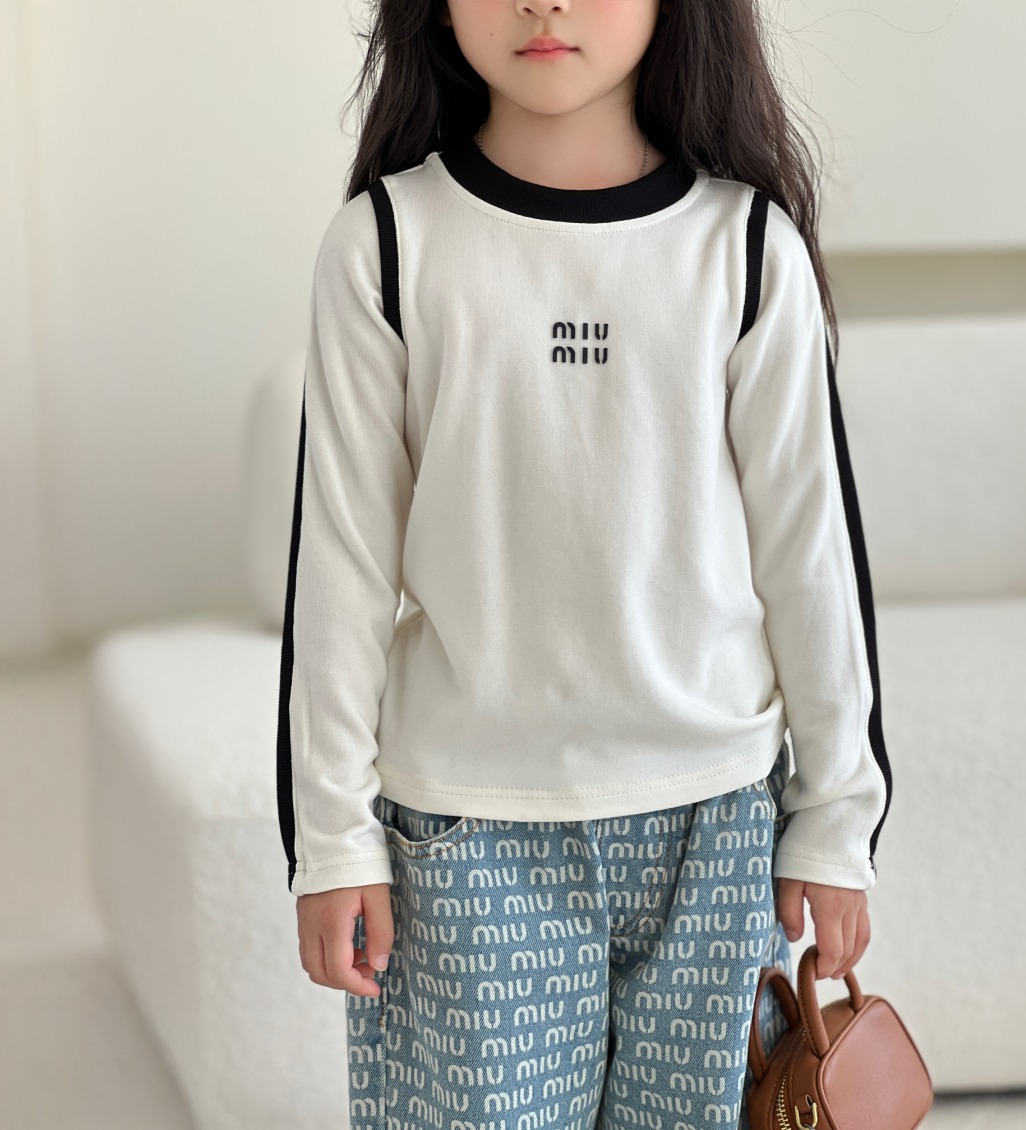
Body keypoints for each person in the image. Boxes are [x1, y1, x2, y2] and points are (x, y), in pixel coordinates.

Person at [275, 0, 893, 1126]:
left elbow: (813, 555)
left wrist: (837, 816)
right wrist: (333, 840)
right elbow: (342, 568)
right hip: (462, 833)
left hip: (716, 826)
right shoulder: (385, 245)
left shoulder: (747, 248)